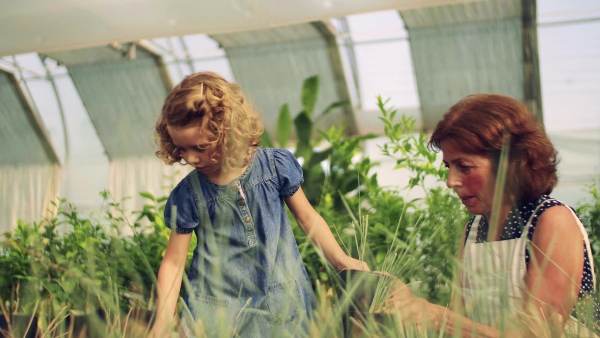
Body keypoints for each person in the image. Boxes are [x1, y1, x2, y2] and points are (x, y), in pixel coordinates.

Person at [148, 71, 367, 337]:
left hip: (281, 303)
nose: (191, 158)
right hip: (217, 310)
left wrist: (341, 260)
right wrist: (162, 321)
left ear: (227, 132)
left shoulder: (275, 167)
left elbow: (308, 218)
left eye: (201, 146)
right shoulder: (188, 195)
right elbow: (173, 262)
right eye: (182, 148)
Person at [384, 94, 598, 337]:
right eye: (448, 167)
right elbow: (461, 321)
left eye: (464, 166)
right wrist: (411, 308)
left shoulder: (550, 220)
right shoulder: (474, 231)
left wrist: (436, 316)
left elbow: (536, 333)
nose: (450, 181)